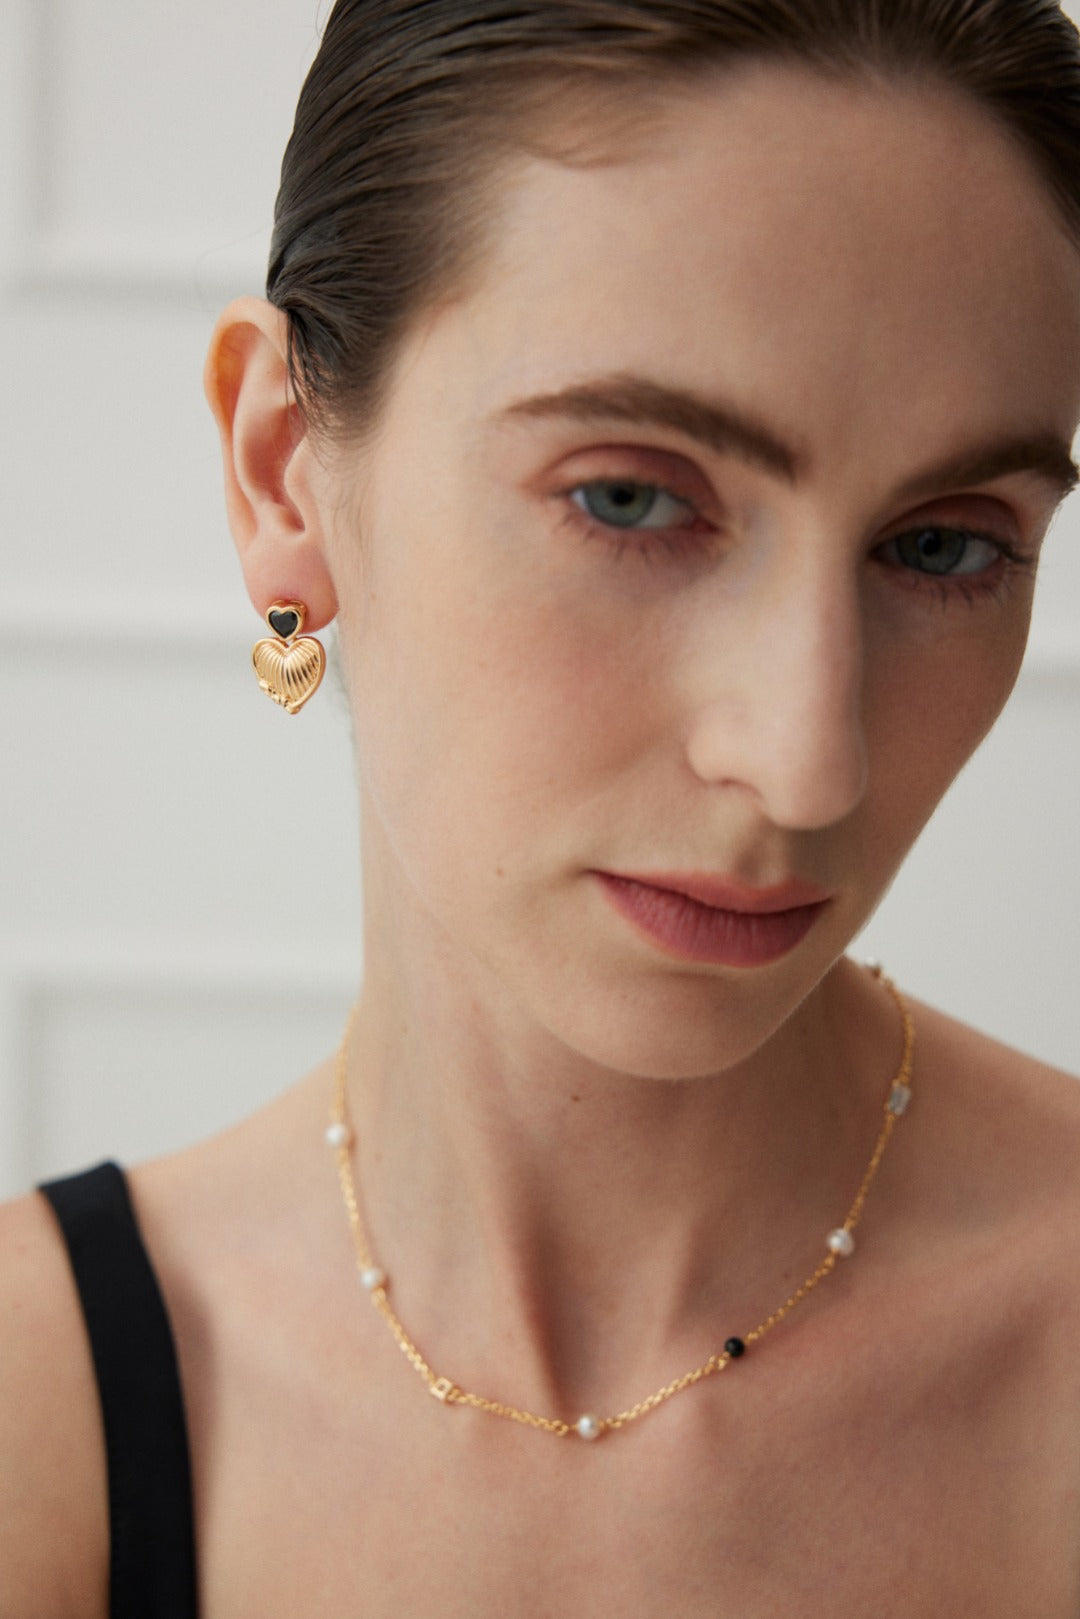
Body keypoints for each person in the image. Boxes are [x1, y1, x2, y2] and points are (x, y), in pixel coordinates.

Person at [5, 0, 1080, 1612]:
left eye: (944, 545)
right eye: (631, 497)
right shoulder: (45, 1403)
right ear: (285, 469)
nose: (807, 766)